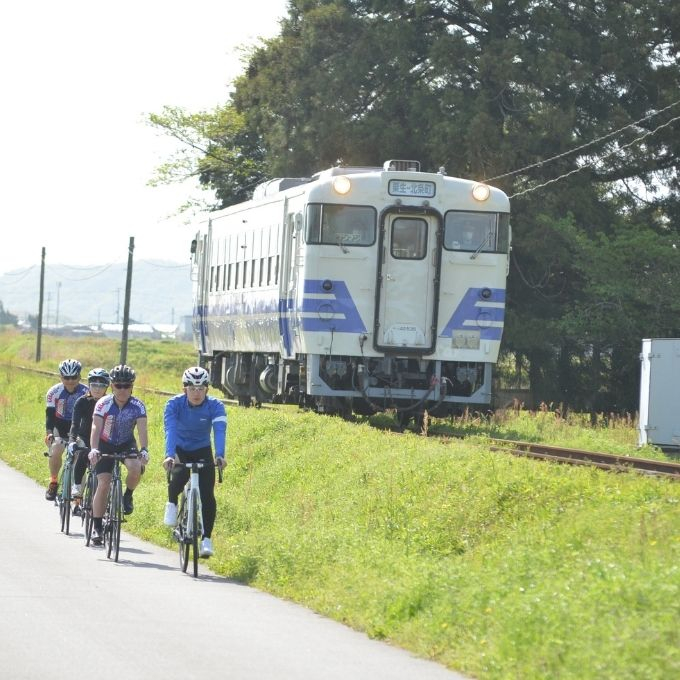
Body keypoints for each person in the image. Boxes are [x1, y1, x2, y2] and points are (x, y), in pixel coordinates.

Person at [162, 366, 227, 558]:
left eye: (201, 389)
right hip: (180, 449)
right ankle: (172, 503)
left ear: (207, 389)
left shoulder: (215, 405)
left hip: (202, 449)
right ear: (184, 389)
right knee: (180, 475)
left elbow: (219, 430)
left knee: (207, 495)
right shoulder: (174, 404)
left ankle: (206, 539)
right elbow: (171, 430)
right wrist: (169, 455)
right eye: (192, 388)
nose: (196, 393)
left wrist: (220, 455)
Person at [88, 364, 149, 546]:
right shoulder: (103, 403)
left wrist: (144, 449)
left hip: (126, 443)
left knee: (136, 468)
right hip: (104, 444)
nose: (122, 390)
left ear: (132, 387)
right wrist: (94, 448)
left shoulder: (138, 406)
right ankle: (97, 526)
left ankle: (128, 495)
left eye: (126, 386)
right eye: (118, 386)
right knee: (104, 483)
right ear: (112, 386)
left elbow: (142, 429)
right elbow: (95, 427)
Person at [66, 368, 111, 514]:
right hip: (84, 437)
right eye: (94, 385)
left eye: (101, 385)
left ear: (107, 387)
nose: (97, 389)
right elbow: (75, 424)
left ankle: (105, 498)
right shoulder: (82, 401)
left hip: (104, 440)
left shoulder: (110, 402)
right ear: (89, 385)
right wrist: (72, 440)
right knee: (82, 454)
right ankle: (77, 487)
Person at [44, 359, 89, 501]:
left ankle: (78, 494)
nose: (70, 381)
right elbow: (50, 415)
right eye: (66, 378)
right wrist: (49, 433)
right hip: (60, 427)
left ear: (79, 377)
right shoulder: (53, 392)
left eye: (73, 377)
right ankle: (53, 482)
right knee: (56, 448)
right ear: (60, 377)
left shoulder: (87, 392)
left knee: (79, 456)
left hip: (78, 429)